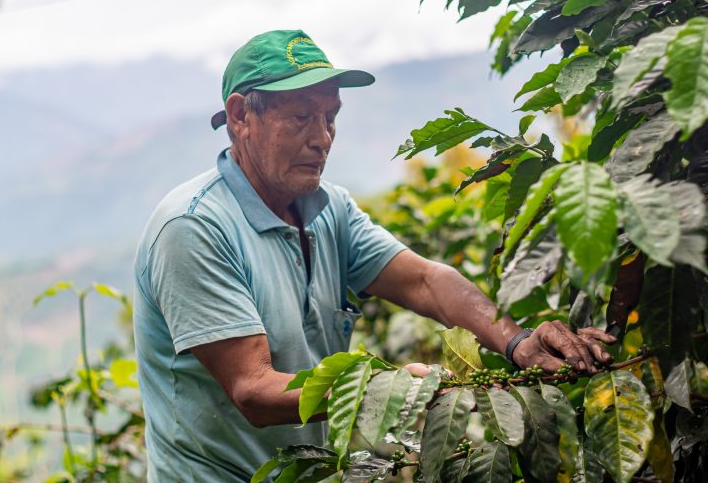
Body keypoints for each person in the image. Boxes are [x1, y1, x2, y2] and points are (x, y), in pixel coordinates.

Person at [132, 29, 616, 482]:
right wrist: (386, 388)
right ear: (240, 117)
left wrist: (518, 341)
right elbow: (254, 391)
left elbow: (424, 281)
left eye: (330, 117)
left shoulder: (328, 210)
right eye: (301, 117)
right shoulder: (194, 227)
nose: (322, 137)